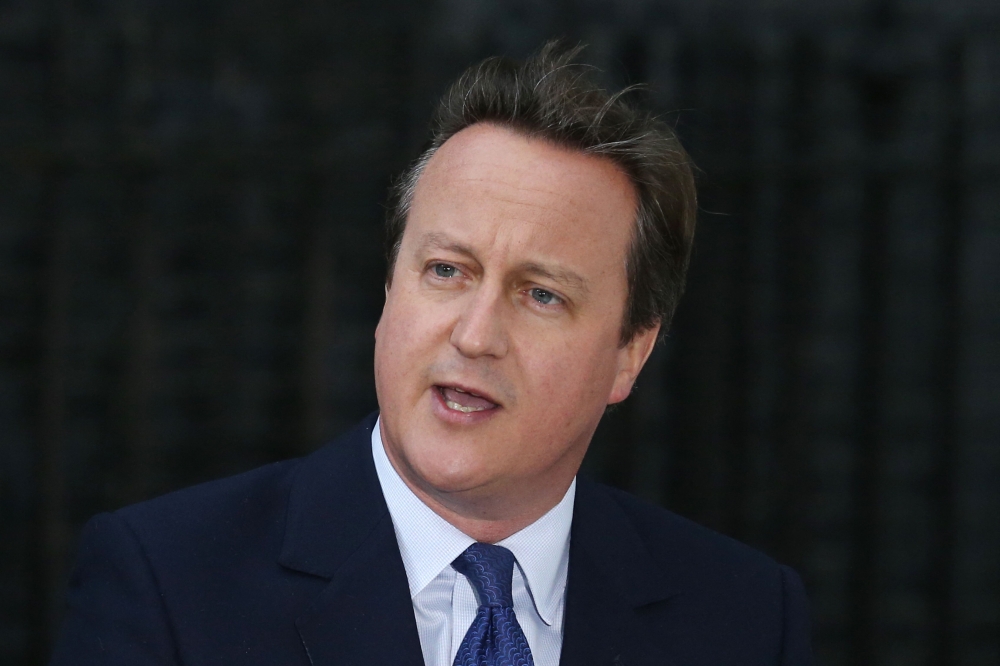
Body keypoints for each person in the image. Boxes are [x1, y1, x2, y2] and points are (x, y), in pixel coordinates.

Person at [50, 43, 812, 666]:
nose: (476, 335)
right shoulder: (170, 583)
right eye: (447, 271)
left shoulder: (743, 618)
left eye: (541, 294)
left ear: (629, 355)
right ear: (390, 291)